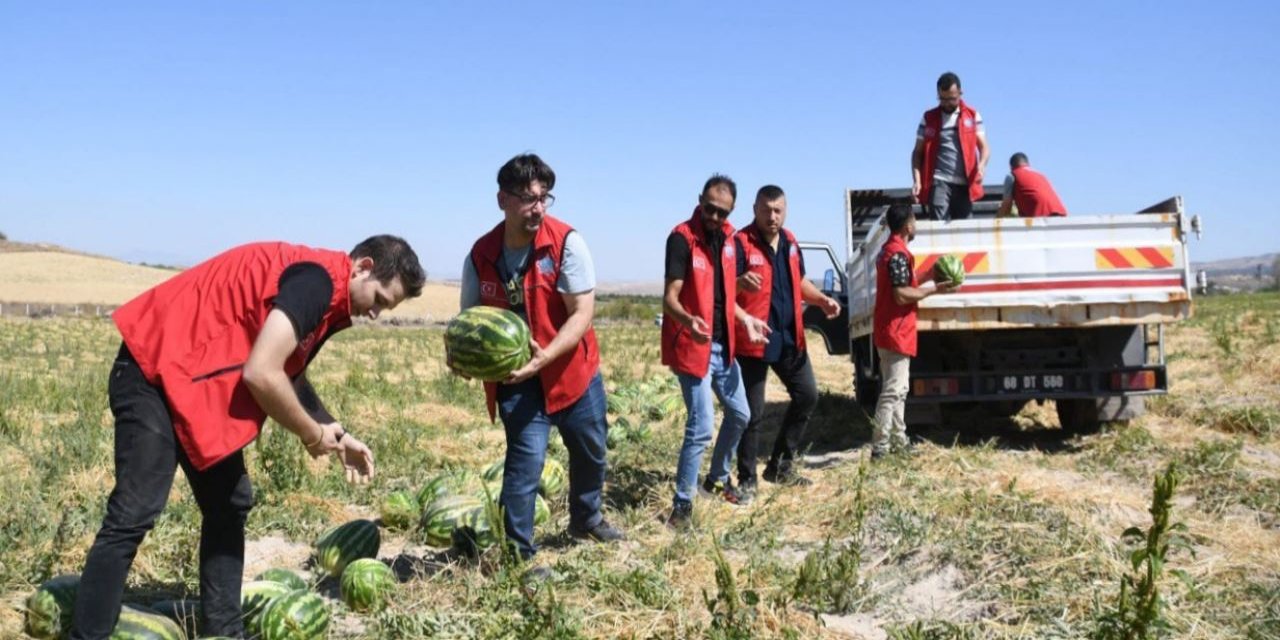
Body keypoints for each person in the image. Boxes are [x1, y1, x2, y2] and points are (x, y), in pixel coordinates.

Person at [71, 236, 425, 639]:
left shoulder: (329, 296)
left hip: (190, 382)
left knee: (229, 502)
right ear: (362, 267)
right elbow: (262, 373)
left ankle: (224, 631)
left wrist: (336, 432)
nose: (377, 313)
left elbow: (290, 370)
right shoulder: (317, 283)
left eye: (387, 308)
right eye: (379, 298)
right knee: (134, 512)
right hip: (152, 370)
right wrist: (311, 435)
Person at [455, 153, 622, 575]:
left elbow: (582, 313)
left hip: (571, 371)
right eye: (529, 199)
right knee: (525, 464)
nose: (539, 208)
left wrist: (545, 356)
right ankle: (520, 554)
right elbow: (468, 322)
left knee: (591, 451)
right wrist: (459, 358)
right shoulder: (481, 255)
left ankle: (587, 519)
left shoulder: (567, 243)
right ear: (502, 200)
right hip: (517, 379)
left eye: (544, 198)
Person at [661, 174, 770, 527]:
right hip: (693, 346)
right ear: (699, 201)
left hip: (724, 347)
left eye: (722, 212)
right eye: (709, 209)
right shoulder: (681, 238)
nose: (715, 217)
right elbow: (670, 299)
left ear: (731, 211)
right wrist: (688, 321)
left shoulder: (728, 240)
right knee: (701, 426)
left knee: (741, 414)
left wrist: (747, 320)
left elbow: (722, 298)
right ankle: (682, 507)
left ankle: (716, 480)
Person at [733, 185, 841, 501]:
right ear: (754, 209)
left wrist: (821, 299)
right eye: (766, 210)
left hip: (789, 337)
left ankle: (780, 466)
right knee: (752, 414)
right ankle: (747, 478)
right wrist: (738, 283)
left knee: (807, 395)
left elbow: (799, 281)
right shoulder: (740, 243)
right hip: (753, 341)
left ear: (786, 210)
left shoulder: (791, 242)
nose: (772, 216)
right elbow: (723, 290)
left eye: (778, 210)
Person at [871, 205, 958, 458]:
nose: (916, 224)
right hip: (895, 330)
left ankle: (899, 441)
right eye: (915, 220)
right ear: (908, 225)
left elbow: (903, 284)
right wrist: (935, 290)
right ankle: (880, 446)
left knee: (900, 389)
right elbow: (901, 295)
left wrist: (927, 276)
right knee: (893, 390)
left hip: (893, 330)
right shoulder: (897, 254)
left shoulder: (892, 252)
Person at [912, 71, 990, 221]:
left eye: (952, 99)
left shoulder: (973, 115)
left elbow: (984, 147)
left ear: (960, 93)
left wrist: (981, 165)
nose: (947, 103)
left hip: (965, 184)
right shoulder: (928, 118)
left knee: (965, 231)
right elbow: (917, 152)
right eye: (943, 99)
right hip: (939, 181)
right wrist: (917, 180)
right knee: (940, 229)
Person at [997, 152, 1068, 217]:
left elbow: (1007, 206)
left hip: (1040, 214)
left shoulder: (1012, 176)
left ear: (1011, 167)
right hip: (1061, 214)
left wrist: (996, 221)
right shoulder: (1041, 175)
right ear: (1028, 164)